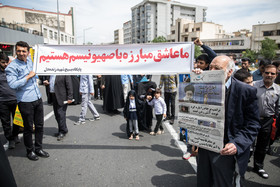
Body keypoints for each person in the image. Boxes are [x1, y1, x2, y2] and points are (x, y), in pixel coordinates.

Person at [194, 56, 260, 186]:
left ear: (230, 72)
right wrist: (194, 78)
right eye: (210, 67)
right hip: (204, 146)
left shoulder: (246, 91)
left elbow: (253, 124)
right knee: (203, 181)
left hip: (226, 150)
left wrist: (237, 144)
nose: (212, 71)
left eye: (217, 68)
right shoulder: (202, 85)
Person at [5, 41, 49, 161]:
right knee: (28, 128)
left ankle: (38, 148)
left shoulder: (30, 61)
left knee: (39, 126)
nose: (21, 53)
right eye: (19, 51)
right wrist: (28, 76)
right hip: (25, 101)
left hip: (37, 98)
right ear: (15, 52)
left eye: (24, 51)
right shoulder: (11, 67)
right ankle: (30, 151)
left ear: (28, 52)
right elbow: (13, 85)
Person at [253, 64, 280, 179]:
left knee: (263, 145)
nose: (269, 75)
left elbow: (278, 107)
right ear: (263, 73)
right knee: (247, 144)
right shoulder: (253, 85)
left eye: (272, 73)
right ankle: (241, 167)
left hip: (268, 121)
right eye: (267, 72)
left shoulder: (278, 89)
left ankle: (258, 166)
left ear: (276, 75)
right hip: (252, 120)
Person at [0, 52, 20, 149]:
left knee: (17, 121)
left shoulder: (12, 71)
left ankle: (15, 136)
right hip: (2, 101)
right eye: (3, 62)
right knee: (5, 122)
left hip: (15, 99)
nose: (5, 65)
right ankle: (10, 139)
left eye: (7, 63)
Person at [48, 75, 73, 141]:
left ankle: (62, 131)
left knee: (61, 114)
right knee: (56, 114)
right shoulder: (50, 72)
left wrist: (70, 97)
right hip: (53, 95)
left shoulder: (64, 72)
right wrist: (47, 82)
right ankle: (62, 129)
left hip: (62, 96)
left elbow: (69, 84)